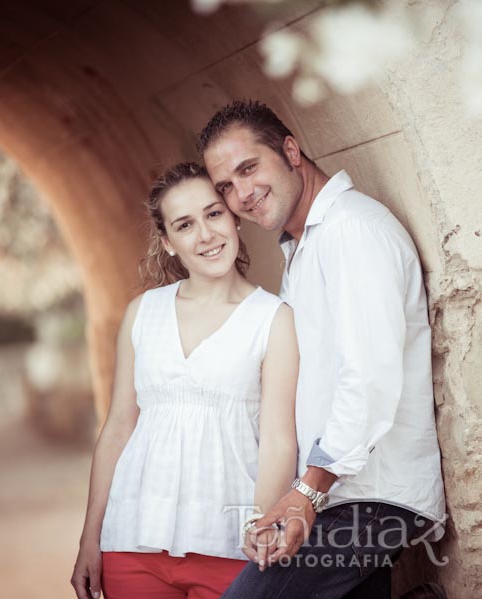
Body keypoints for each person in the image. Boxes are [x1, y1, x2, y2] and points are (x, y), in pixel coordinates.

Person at [200, 101, 446, 599]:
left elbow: (369, 380)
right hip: (341, 496)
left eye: (249, 169)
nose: (241, 194)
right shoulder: (306, 246)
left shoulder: (352, 232)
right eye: (226, 186)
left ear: (290, 151)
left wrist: (307, 492)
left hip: (369, 497)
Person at [70, 162, 299, 599]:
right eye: (185, 225)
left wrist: (260, 527)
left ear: (234, 218)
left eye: (214, 214)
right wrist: (90, 538)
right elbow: (119, 427)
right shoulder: (142, 313)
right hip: (133, 542)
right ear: (168, 243)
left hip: (231, 548)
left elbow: (278, 442)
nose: (206, 235)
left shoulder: (273, 319)